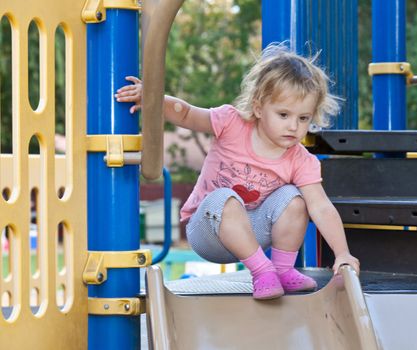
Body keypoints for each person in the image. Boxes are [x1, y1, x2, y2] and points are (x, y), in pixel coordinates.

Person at [115, 44, 360, 300]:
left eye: (303, 118)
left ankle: (282, 271)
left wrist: (342, 253)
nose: (293, 126)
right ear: (258, 108)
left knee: (295, 199)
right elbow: (187, 114)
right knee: (226, 198)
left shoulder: (301, 159)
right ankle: (263, 271)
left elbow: (320, 206)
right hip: (207, 230)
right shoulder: (231, 123)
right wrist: (152, 98)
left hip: (253, 231)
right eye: (284, 114)